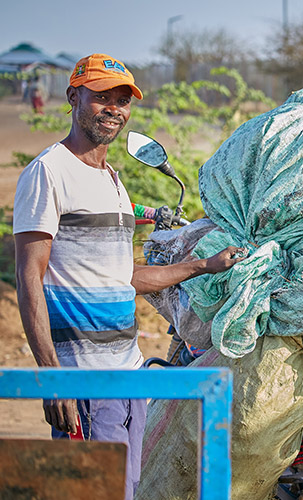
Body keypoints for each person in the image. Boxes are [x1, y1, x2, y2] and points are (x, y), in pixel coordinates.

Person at [13, 53, 244, 500]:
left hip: (129, 373)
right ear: (73, 97)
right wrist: (54, 379)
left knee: (128, 489)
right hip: (85, 377)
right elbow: (29, 278)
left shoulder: (112, 179)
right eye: (101, 97)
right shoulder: (49, 172)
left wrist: (202, 265)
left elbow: (122, 277)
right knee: (95, 492)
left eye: (122, 100)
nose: (113, 109)